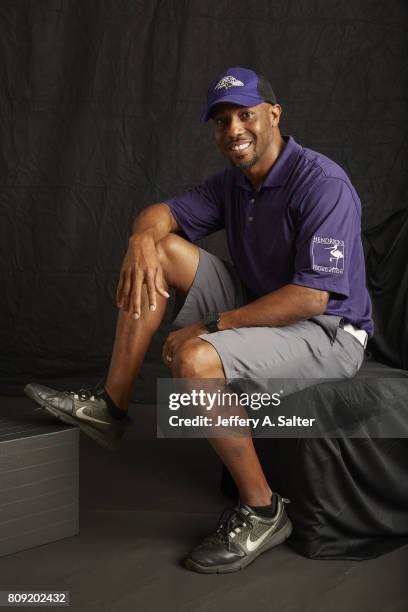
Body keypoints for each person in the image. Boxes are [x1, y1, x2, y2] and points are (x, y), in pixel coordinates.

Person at [25, 67, 373, 574]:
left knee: (193, 359)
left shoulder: (321, 184)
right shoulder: (234, 183)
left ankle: (262, 510)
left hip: (329, 330)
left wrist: (212, 326)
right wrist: (140, 240)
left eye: (246, 115)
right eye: (222, 120)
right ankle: (111, 405)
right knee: (159, 249)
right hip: (265, 301)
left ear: (274, 115)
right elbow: (158, 214)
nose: (234, 130)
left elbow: (310, 298)